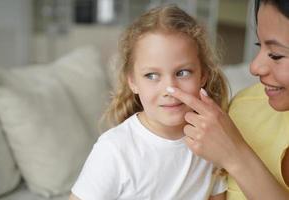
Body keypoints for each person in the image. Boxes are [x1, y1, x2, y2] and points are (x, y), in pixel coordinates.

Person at [69, 5, 229, 200]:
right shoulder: (114, 150)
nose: (170, 89)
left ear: (203, 75)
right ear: (133, 82)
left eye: (183, 73)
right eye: (152, 75)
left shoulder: (212, 140)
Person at [166, 0, 289, 199]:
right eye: (260, 45)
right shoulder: (243, 109)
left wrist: (237, 157)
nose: (254, 67)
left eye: (276, 55)